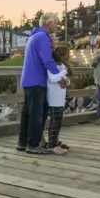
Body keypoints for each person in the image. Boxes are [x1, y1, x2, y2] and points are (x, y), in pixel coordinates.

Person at [18, 12, 66, 154]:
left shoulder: (33, 36)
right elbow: (47, 60)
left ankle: (23, 142)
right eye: (55, 22)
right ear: (48, 22)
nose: (57, 24)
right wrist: (58, 75)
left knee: (27, 113)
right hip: (37, 80)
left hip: (28, 80)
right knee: (38, 114)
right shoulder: (43, 37)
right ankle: (33, 144)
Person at [44, 45, 71, 154]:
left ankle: (55, 141)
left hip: (60, 97)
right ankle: (52, 144)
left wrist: (67, 81)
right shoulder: (53, 65)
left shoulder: (61, 66)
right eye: (67, 55)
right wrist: (64, 72)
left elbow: (64, 80)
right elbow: (53, 78)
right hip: (53, 97)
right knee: (54, 122)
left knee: (58, 122)